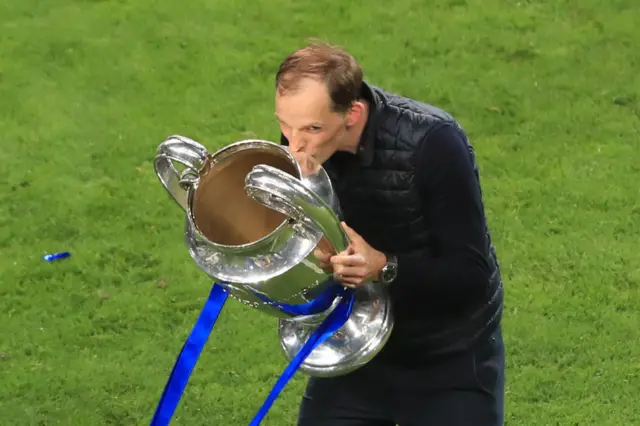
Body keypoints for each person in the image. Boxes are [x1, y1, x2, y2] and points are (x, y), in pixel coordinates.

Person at [274, 41, 505, 426]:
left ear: (353, 114)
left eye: (312, 128)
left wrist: (384, 266)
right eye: (285, 125)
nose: (293, 145)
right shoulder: (303, 142)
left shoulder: (435, 144)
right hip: (358, 352)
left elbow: (472, 278)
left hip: (448, 357)